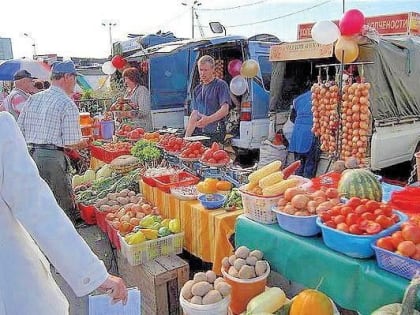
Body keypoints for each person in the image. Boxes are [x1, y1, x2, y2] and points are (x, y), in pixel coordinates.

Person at [0, 111, 128, 314]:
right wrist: (93, 274)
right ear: (69, 77)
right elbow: (37, 209)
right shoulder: (2, 128)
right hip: (12, 287)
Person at [18, 61, 89, 225]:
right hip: (51, 159)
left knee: (41, 204)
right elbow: (71, 142)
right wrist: (85, 143)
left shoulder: (34, 98)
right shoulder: (67, 103)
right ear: (66, 77)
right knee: (61, 208)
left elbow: (19, 130)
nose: (75, 83)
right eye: (74, 78)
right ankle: (66, 244)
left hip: (31, 155)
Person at [185, 55, 231, 143]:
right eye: (200, 70)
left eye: (205, 70)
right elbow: (195, 113)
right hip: (200, 133)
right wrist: (186, 138)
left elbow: (225, 110)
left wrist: (208, 120)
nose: (202, 73)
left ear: (213, 69)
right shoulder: (197, 89)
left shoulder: (221, 85)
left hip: (216, 132)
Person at [288, 89, 320, 178]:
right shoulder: (320, 98)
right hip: (310, 133)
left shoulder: (298, 99)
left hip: (297, 134)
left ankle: (297, 185)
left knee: (298, 164)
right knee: (309, 165)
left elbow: (292, 118)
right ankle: (306, 187)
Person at [121, 67, 152, 131]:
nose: (125, 81)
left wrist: (129, 113)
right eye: (124, 78)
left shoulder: (142, 90)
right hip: (131, 128)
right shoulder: (127, 92)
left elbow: (144, 111)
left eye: (126, 78)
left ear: (133, 78)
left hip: (142, 128)